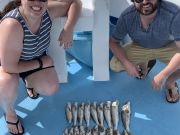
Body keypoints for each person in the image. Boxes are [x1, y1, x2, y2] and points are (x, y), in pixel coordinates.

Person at [0, 0, 82, 134]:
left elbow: (75, 3)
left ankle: (29, 82)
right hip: (7, 64)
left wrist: (69, 27)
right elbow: (9, 66)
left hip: (31, 58)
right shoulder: (12, 25)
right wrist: (42, 63)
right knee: (6, 84)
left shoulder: (47, 11)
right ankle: (9, 113)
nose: (37, 3)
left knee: (50, 87)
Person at [109, 0, 180, 103]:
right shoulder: (126, 16)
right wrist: (126, 63)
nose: (145, 1)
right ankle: (146, 62)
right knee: (114, 64)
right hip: (141, 47)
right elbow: (113, 42)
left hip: (167, 46)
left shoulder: (174, 14)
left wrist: (164, 74)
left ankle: (171, 82)